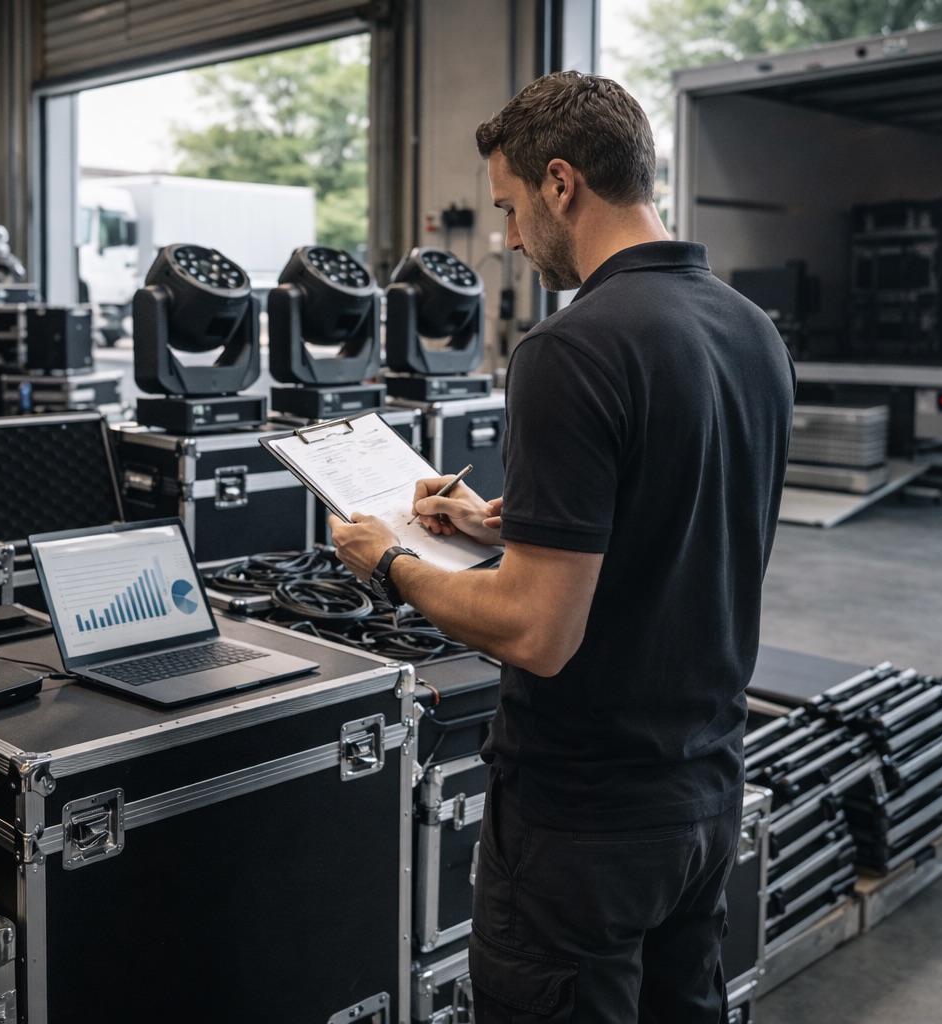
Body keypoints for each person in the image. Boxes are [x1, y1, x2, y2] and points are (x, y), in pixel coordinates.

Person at [330, 71, 795, 1023]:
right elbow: (682, 512)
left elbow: (538, 633)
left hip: (583, 823)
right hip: (702, 796)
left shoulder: (571, 347)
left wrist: (390, 559)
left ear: (559, 182)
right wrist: (505, 522)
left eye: (507, 208)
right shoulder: (752, 332)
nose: (506, 238)